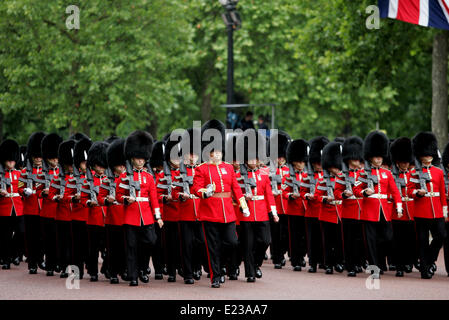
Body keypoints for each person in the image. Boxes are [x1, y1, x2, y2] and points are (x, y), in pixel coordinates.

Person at [191, 119, 250, 288]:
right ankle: (215, 276)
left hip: (228, 212)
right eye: (213, 151)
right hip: (210, 211)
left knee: (232, 242)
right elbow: (196, 188)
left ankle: (222, 265)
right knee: (212, 246)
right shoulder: (201, 169)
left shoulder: (228, 168)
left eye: (218, 151)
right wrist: (205, 192)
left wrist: (243, 205)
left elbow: (236, 188)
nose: (216, 154)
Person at [116, 130, 163, 286]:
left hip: (147, 216)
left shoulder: (149, 177)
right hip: (130, 216)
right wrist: (126, 200)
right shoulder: (124, 177)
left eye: (143, 158)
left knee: (150, 241)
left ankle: (143, 268)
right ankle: (133, 276)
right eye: (138, 158)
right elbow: (118, 195)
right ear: (132, 158)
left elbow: (154, 200)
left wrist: (158, 217)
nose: (141, 161)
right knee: (131, 247)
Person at [353, 131, 402, 277]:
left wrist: (399, 207)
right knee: (371, 241)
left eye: (381, 156)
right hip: (369, 211)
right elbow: (356, 189)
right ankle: (374, 268)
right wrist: (364, 193)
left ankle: (381, 262)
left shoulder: (387, 173)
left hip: (385, 211)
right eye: (376, 157)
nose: (379, 159)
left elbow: (395, 192)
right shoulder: (363, 173)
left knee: (387, 238)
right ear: (370, 157)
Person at [236, 129, 278, 282]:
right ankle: (250, 273)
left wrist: (273, 212)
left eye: (255, 158)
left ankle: (256, 264)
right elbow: (236, 194)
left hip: (261, 212)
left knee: (265, 240)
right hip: (246, 213)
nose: (253, 161)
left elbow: (268, 195)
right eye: (250, 159)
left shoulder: (264, 173)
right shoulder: (239, 175)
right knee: (248, 244)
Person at [410, 132, 447, 279]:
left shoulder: (438, 172)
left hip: (437, 211)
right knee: (423, 241)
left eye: (429, 154)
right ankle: (425, 270)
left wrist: (445, 211)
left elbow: (442, 193)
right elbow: (410, 190)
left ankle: (429, 260)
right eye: (425, 154)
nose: (427, 156)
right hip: (421, 211)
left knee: (441, 236)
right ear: (420, 155)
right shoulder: (414, 172)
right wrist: (417, 193)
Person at [177, 127, 208, 284]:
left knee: (201, 242)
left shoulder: (203, 171)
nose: (192, 157)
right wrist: (180, 196)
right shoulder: (177, 172)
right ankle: (188, 273)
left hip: (202, 212)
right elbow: (174, 191)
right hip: (186, 212)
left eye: (194, 154)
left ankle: (197, 267)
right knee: (187, 244)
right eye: (189, 154)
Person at [334, 137, 365, 277]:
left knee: (361, 240)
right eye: (354, 158)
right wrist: (344, 195)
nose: (357, 161)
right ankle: (350, 265)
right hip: (348, 212)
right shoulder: (342, 175)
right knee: (349, 241)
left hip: (363, 211)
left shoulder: (364, 174)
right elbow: (336, 192)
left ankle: (359, 262)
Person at [98, 138, 127, 284]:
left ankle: (123, 270)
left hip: (127, 218)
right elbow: (100, 198)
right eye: (119, 164)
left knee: (125, 247)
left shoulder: (130, 179)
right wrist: (106, 201)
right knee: (113, 248)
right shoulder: (107, 181)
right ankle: (113, 272)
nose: (122, 167)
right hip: (112, 219)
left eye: (123, 164)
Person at [18, 132, 46, 274]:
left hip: (43, 208)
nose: (38, 159)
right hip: (30, 209)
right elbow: (19, 187)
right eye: (36, 157)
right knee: (31, 237)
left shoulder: (47, 172)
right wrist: (24, 191)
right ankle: (32, 263)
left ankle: (40, 259)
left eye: (40, 156)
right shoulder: (24, 172)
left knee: (42, 236)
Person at [315, 142, 344, 274]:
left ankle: (338, 262)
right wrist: (326, 199)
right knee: (328, 241)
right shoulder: (322, 179)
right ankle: (328, 264)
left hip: (340, 213)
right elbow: (317, 195)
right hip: (326, 213)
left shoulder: (344, 178)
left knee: (339, 240)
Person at [81, 141, 109, 282]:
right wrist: (88, 202)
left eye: (102, 165)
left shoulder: (110, 178)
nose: (100, 168)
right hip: (93, 218)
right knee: (93, 248)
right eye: (98, 165)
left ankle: (107, 267)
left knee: (110, 246)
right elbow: (83, 197)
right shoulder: (88, 179)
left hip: (108, 217)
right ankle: (93, 271)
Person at [389, 137, 417, 277]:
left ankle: (408, 262)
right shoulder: (392, 175)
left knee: (410, 239)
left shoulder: (414, 174)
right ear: (397, 161)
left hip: (411, 210)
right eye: (403, 162)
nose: (405, 164)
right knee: (398, 240)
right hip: (397, 211)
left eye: (407, 162)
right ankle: (399, 266)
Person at [48, 139, 76, 278]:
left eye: (72, 165)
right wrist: (55, 198)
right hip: (62, 215)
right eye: (68, 165)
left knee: (74, 244)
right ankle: (64, 266)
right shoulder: (57, 178)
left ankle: (74, 267)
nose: (70, 168)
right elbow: (51, 194)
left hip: (75, 214)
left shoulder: (80, 178)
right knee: (63, 242)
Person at [282, 139, 309, 271]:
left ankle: (301, 256)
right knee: (294, 236)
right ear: (293, 161)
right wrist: (291, 196)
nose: (301, 164)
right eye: (299, 161)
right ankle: (295, 260)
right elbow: (284, 192)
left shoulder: (308, 175)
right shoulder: (288, 175)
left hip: (305, 209)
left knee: (304, 236)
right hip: (293, 210)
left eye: (303, 161)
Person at [157, 135, 182, 282]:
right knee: (171, 244)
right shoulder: (163, 175)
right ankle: (172, 271)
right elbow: (157, 193)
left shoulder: (187, 172)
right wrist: (165, 198)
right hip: (170, 214)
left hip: (185, 213)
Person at [303, 136, 329, 273]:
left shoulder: (328, 176)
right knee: (312, 239)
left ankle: (324, 261)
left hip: (324, 211)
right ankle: (313, 263)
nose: (318, 164)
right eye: (316, 162)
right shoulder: (308, 176)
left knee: (324, 239)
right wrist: (307, 196)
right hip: (311, 211)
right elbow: (302, 191)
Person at [39, 133, 62, 276]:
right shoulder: (42, 172)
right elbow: (36, 188)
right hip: (47, 210)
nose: (54, 161)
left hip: (58, 210)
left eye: (56, 158)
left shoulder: (62, 173)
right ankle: (49, 264)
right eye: (52, 158)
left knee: (58, 239)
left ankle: (58, 262)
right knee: (48, 239)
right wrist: (42, 192)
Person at [0, 139, 24, 270]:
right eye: (8, 160)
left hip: (18, 207)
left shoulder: (18, 174)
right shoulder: (0, 174)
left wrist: (25, 190)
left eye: (13, 160)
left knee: (21, 232)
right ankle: (6, 260)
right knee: (6, 235)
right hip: (4, 208)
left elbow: (20, 188)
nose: (11, 162)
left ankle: (14, 253)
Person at [268, 131, 290, 269]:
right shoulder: (269, 170)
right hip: (274, 205)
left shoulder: (289, 170)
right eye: (277, 157)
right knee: (274, 233)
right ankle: (277, 257)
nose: (279, 160)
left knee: (285, 234)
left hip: (287, 206)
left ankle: (282, 253)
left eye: (282, 157)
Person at [71, 136, 92, 280]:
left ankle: (91, 268)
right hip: (77, 214)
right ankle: (78, 270)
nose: (85, 164)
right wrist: (74, 198)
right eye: (83, 162)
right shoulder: (73, 177)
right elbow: (66, 194)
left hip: (91, 215)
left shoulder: (95, 176)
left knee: (89, 245)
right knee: (77, 245)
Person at [150, 140, 167, 279]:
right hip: (154, 213)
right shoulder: (151, 174)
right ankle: (159, 268)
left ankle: (165, 265)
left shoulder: (167, 174)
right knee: (155, 242)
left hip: (167, 212)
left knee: (166, 242)